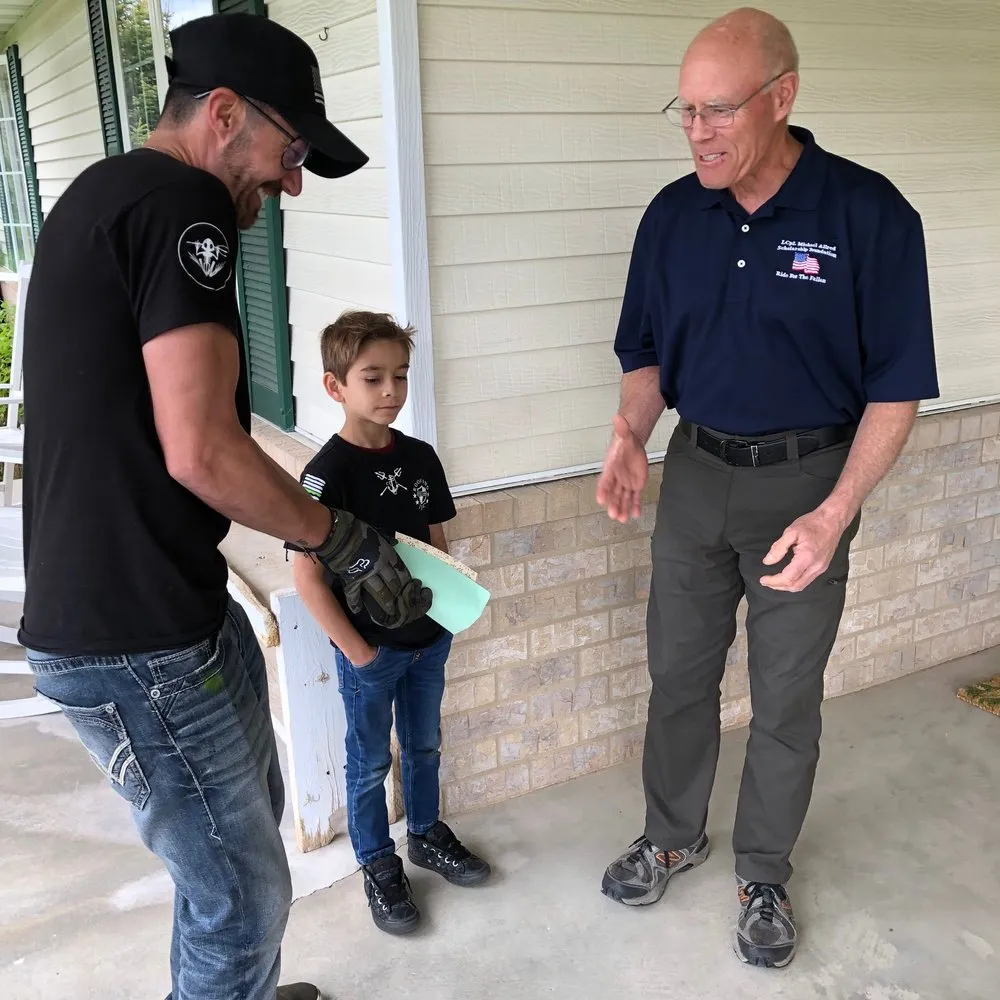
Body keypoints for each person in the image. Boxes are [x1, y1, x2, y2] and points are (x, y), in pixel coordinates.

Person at [18, 14, 433, 1000]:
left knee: (238, 851)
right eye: (290, 153)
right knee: (240, 900)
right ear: (221, 113)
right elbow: (202, 448)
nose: (293, 182)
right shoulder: (182, 203)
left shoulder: (107, 193)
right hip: (136, 639)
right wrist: (342, 538)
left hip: (169, 610)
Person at [595, 7, 939, 970]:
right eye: (686, 111)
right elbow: (648, 356)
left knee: (786, 700)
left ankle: (763, 873)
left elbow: (898, 389)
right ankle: (671, 833)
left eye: (719, 110)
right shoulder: (672, 216)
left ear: (782, 96)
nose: (697, 131)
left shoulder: (868, 215)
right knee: (678, 678)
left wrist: (836, 512)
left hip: (808, 484)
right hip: (697, 475)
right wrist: (630, 432)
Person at [289, 310, 491, 936]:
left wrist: (446, 618)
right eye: (372, 378)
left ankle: (427, 833)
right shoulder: (325, 477)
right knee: (370, 761)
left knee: (425, 745)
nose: (390, 393)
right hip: (369, 652)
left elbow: (437, 548)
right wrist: (358, 654)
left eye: (400, 377)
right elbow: (306, 580)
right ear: (334, 386)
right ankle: (378, 862)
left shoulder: (422, 457)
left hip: (428, 640)